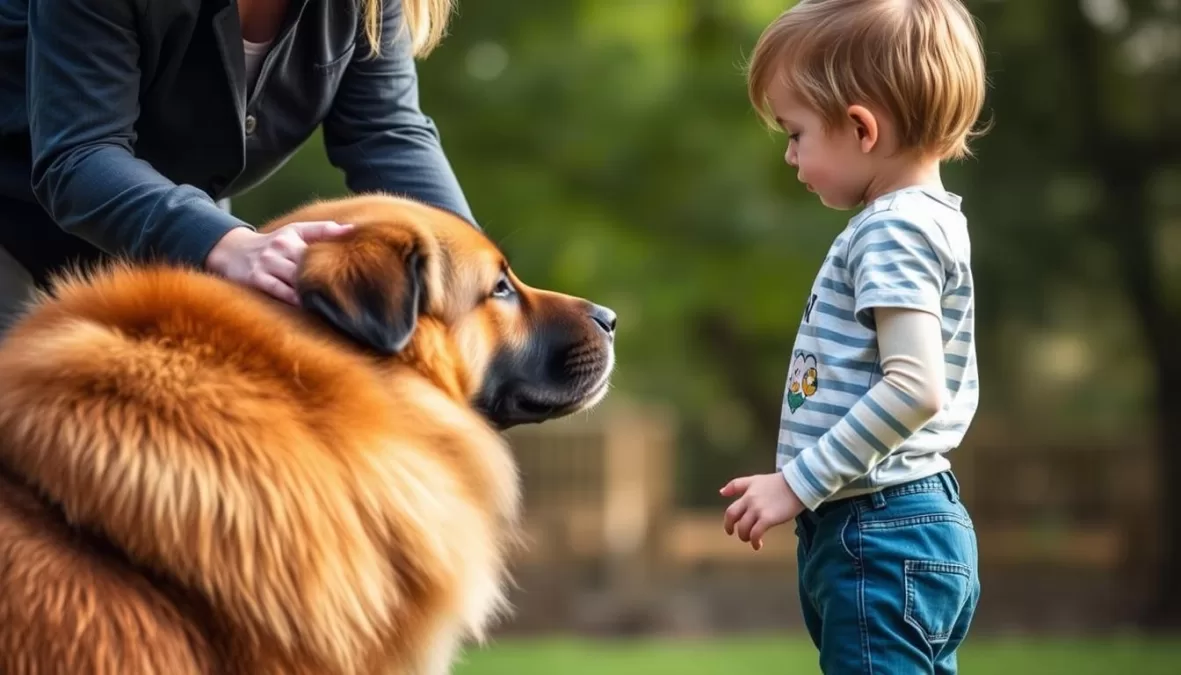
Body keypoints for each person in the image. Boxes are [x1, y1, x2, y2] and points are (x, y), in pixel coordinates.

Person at [719, 0, 988, 672]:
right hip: (898, 525)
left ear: (861, 127)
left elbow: (914, 387)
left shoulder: (892, 228)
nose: (788, 155)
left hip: (879, 530)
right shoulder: (923, 220)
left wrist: (794, 483)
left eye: (795, 132)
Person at [0, 0, 471, 328]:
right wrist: (230, 246)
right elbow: (82, 153)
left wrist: (484, 282)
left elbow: (386, 132)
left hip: (173, 251)